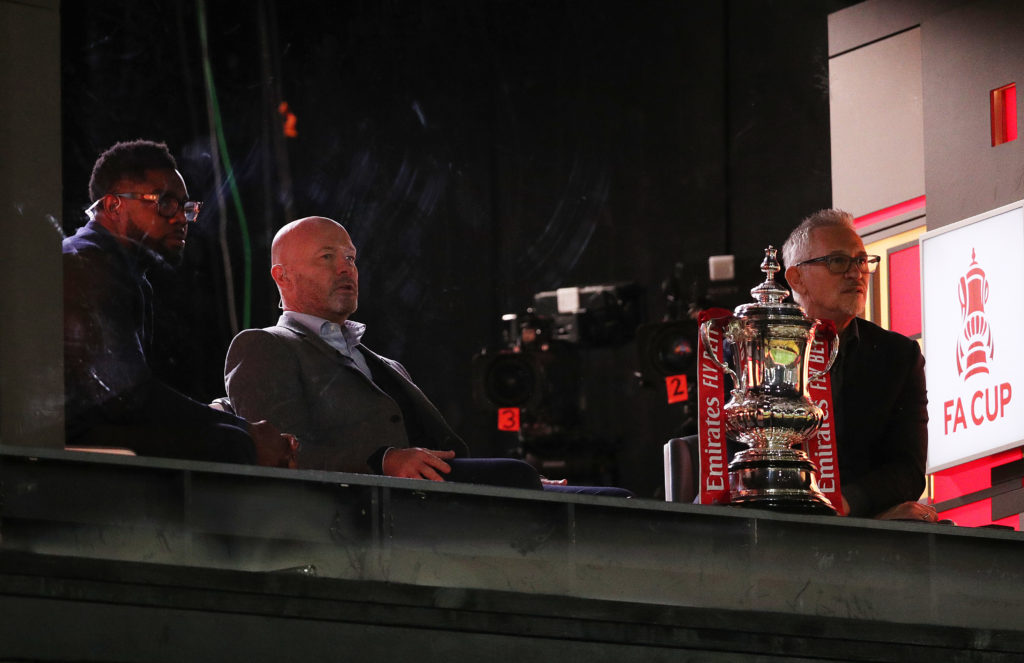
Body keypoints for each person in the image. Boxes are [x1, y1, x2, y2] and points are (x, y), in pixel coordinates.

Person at [224, 216, 631, 495]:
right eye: (326, 257)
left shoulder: (385, 365)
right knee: (519, 476)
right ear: (283, 275)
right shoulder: (266, 346)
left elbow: (447, 452)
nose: (345, 268)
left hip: (440, 500)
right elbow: (278, 453)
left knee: (614, 500)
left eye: (350, 257)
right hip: (364, 512)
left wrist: (514, 484)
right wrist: (382, 461)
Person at [63, 139, 296, 467]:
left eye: (186, 207)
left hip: (82, 428)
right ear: (113, 206)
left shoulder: (122, 271)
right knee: (233, 446)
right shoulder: (87, 264)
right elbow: (128, 398)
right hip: (53, 440)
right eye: (165, 203)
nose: (182, 218)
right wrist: (243, 430)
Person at [781, 208, 935, 521]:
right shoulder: (753, 347)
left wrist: (845, 504)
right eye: (838, 261)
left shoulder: (897, 356)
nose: (856, 273)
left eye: (861, 261)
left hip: (856, 526)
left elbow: (908, 470)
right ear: (797, 278)